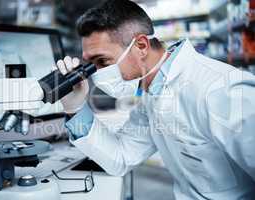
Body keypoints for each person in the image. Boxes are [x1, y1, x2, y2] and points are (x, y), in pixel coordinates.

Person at [57, 0, 255, 199]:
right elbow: (121, 158)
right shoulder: (153, 94)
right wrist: (75, 107)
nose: (96, 74)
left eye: (102, 62)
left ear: (141, 46)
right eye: (90, 64)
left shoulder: (222, 90)